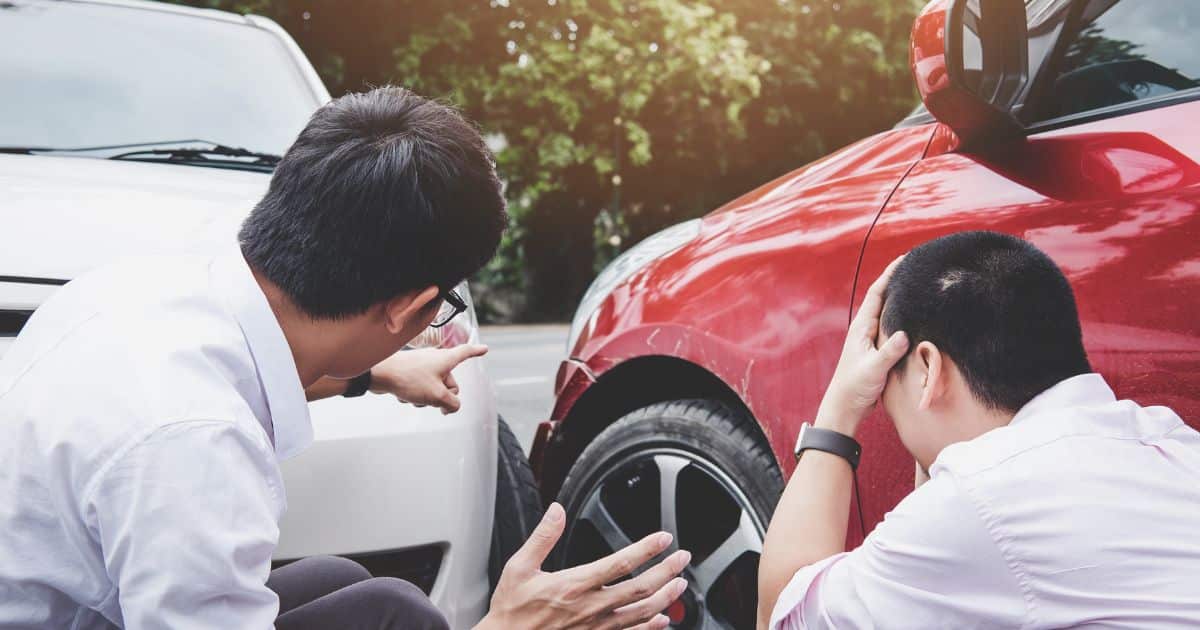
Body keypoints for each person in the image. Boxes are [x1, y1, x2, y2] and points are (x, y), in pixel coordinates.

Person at [0, 86, 689, 630]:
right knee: (396, 615)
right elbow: (195, 430)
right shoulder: (194, 447)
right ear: (408, 308)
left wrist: (378, 372)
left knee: (367, 598)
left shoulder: (153, 285)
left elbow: (256, 371)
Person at [757, 231, 1200, 629]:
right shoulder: (1171, 441)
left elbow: (783, 614)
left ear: (928, 368)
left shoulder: (980, 500)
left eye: (887, 394)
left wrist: (840, 409)